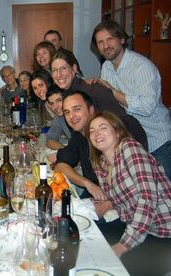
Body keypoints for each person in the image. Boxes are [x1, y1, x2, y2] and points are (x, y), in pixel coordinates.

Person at [86, 111, 171, 276]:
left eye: (103, 128)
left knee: (117, 266)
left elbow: (147, 198)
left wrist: (123, 245)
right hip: (138, 227)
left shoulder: (129, 148)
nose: (96, 134)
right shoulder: (100, 163)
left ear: (117, 131)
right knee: (91, 241)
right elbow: (116, 200)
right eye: (92, 131)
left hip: (163, 231)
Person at [92, 20, 171, 181]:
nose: (105, 45)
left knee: (164, 196)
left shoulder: (142, 67)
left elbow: (147, 107)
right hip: (133, 141)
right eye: (100, 42)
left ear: (121, 39)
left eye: (110, 39)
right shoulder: (107, 67)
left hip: (158, 142)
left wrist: (112, 91)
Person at [51, 50, 148, 150]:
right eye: (54, 70)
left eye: (63, 68)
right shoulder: (66, 94)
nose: (58, 74)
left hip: (126, 148)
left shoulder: (93, 89)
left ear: (74, 69)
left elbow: (122, 122)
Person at [54, 91, 105, 200]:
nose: (71, 116)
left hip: (117, 201)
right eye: (67, 112)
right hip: (93, 194)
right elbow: (60, 165)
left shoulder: (107, 134)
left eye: (77, 109)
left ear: (91, 110)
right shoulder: (78, 136)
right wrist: (87, 183)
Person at [45, 85, 71, 150]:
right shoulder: (59, 117)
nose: (55, 107)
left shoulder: (79, 115)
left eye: (59, 100)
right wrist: (66, 151)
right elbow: (50, 140)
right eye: (51, 103)